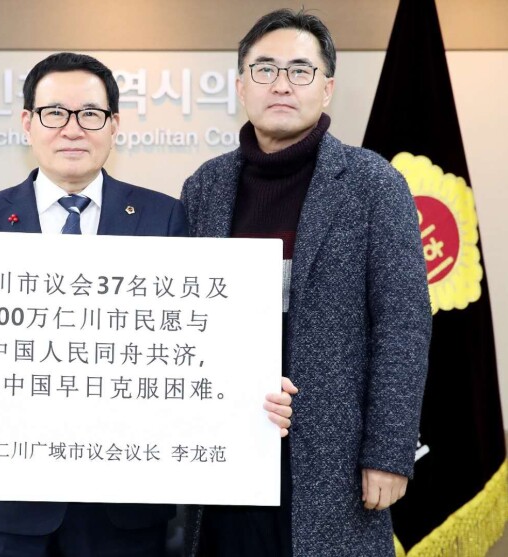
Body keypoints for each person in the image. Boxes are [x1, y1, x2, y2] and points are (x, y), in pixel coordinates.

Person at [0, 52, 298, 557]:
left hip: (125, 506)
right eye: (54, 113)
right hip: (11, 502)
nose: (72, 129)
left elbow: (199, 342)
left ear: (114, 126)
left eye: (89, 114)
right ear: (27, 123)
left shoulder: (164, 218)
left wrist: (250, 388)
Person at [181, 9, 432, 557]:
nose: (281, 84)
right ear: (241, 86)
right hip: (228, 448)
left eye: (300, 70)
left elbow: (404, 326)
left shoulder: (373, 183)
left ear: (327, 88)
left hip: (335, 458)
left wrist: (388, 452)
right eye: (265, 69)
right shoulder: (205, 186)